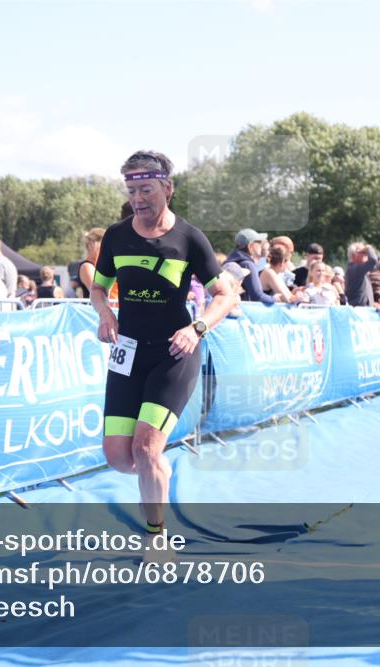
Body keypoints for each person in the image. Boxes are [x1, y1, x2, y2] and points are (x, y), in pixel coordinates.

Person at [90, 150, 236, 551]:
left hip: (174, 352)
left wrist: (198, 327)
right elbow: (97, 287)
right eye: (132, 190)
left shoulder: (188, 238)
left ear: (167, 189)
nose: (138, 198)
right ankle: (157, 467)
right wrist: (105, 315)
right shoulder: (117, 235)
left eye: (146, 190)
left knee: (144, 447)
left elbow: (226, 294)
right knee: (119, 457)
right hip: (128, 351)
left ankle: (157, 538)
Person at [225, 228, 275, 305]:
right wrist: (275, 299)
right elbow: (257, 296)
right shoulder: (248, 264)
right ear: (250, 246)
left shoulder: (230, 260)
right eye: (258, 242)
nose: (261, 245)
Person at [344, 242, 378, 307]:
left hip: (363, 309)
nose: (366, 255)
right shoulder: (354, 269)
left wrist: (373, 303)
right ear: (354, 255)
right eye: (363, 252)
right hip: (358, 310)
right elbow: (373, 261)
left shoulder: (359, 270)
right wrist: (368, 248)